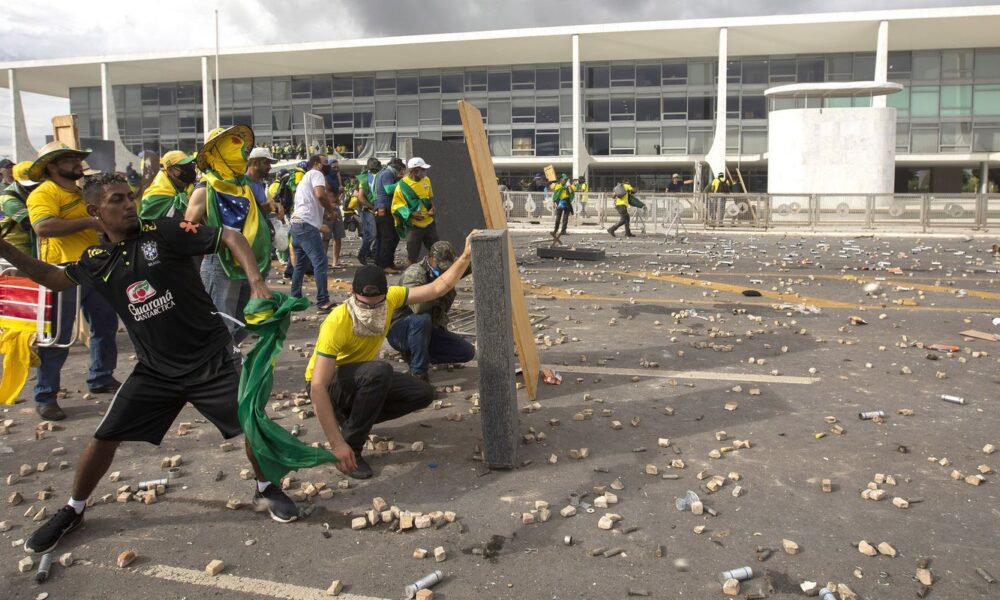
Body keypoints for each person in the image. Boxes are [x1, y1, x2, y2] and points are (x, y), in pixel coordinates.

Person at [3, 173, 301, 556]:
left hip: (211, 360)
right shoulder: (96, 260)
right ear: (95, 211)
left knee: (252, 425)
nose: (129, 204)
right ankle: (74, 509)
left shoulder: (164, 231)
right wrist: (5, 248)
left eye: (129, 196)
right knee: (104, 437)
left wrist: (257, 281)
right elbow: (51, 277)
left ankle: (265, 488)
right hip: (156, 371)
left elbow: (229, 235)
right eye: (116, 199)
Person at [305, 234, 475, 479]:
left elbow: (438, 288)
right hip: (328, 385)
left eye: (377, 304)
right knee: (379, 371)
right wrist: (336, 443)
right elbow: (317, 386)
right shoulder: (337, 321)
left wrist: (466, 256)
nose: (371, 309)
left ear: (386, 295)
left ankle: (352, 420)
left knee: (423, 393)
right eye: (365, 304)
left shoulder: (393, 297)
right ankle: (351, 447)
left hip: (360, 378)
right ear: (352, 294)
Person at [25, 142, 119, 421]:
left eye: (78, 159)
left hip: (93, 266)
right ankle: (46, 395)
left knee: (105, 324)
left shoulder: (79, 192)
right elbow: (43, 227)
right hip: (61, 272)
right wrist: (89, 223)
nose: (78, 163)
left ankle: (101, 376)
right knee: (58, 336)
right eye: (69, 160)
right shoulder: (44, 193)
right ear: (52, 166)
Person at [185, 126, 273, 343]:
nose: (241, 152)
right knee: (221, 325)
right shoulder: (205, 189)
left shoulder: (242, 186)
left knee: (245, 321)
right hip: (220, 263)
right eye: (233, 146)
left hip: (247, 261)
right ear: (219, 153)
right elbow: (187, 230)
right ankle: (223, 360)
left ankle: (228, 354)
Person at [387, 241, 475, 382]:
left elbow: (468, 264)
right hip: (402, 329)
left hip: (428, 330)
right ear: (430, 258)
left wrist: (473, 248)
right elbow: (418, 307)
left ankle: (418, 354)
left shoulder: (446, 269)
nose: (444, 271)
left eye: (448, 267)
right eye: (440, 266)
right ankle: (418, 374)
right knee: (422, 319)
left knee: (466, 352)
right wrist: (440, 288)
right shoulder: (415, 273)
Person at [289, 154, 335, 311]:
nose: (327, 165)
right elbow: (320, 195)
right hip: (305, 226)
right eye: (325, 162)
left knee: (300, 265)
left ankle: (295, 298)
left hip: (296, 225)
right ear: (317, 164)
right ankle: (323, 301)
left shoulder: (304, 179)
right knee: (320, 262)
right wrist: (330, 210)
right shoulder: (316, 173)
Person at [391, 157, 439, 265]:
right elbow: (396, 206)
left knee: (437, 253)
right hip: (414, 227)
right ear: (415, 171)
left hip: (429, 224)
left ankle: (437, 273)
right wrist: (411, 214)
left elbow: (429, 197)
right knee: (412, 256)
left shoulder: (427, 180)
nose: (425, 172)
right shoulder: (402, 185)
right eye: (423, 170)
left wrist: (433, 208)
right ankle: (411, 273)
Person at [139, 151, 197, 220]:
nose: (189, 170)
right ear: (170, 170)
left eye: (190, 165)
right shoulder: (155, 197)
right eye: (184, 167)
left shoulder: (191, 186)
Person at [0, 161, 40, 256]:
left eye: (35, 184)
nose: (33, 187)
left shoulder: (30, 193)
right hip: (15, 249)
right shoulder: (9, 200)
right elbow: (31, 223)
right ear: (16, 180)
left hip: (32, 246)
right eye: (28, 185)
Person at [374, 157, 405, 274]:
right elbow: (388, 189)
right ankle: (385, 265)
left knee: (388, 238)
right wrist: (403, 181)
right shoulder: (387, 173)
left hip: (384, 209)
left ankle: (386, 263)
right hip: (385, 210)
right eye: (400, 170)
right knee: (388, 238)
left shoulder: (384, 173)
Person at [355, 157, 381, 266]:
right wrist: (372, 207)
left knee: (374, 234)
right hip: (366, 209)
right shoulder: (365, 178)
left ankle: (370, 254)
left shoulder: (379, 176)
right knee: (371, 234)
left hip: (375, 208)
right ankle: (362, 254)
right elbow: (360, 197)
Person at [550, 173, 574, 237]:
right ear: (561, 180)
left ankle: (563, 231)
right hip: (560, 202)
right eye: (564, 179)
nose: (564, 181)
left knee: (565, 218)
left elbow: (571, 192)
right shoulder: (558, 186)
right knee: (558, 217)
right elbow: (555, 194)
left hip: (567, 201)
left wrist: (569, 186)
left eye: (566, 180)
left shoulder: (568, 186)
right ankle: (555, 230)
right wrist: (553, 202)